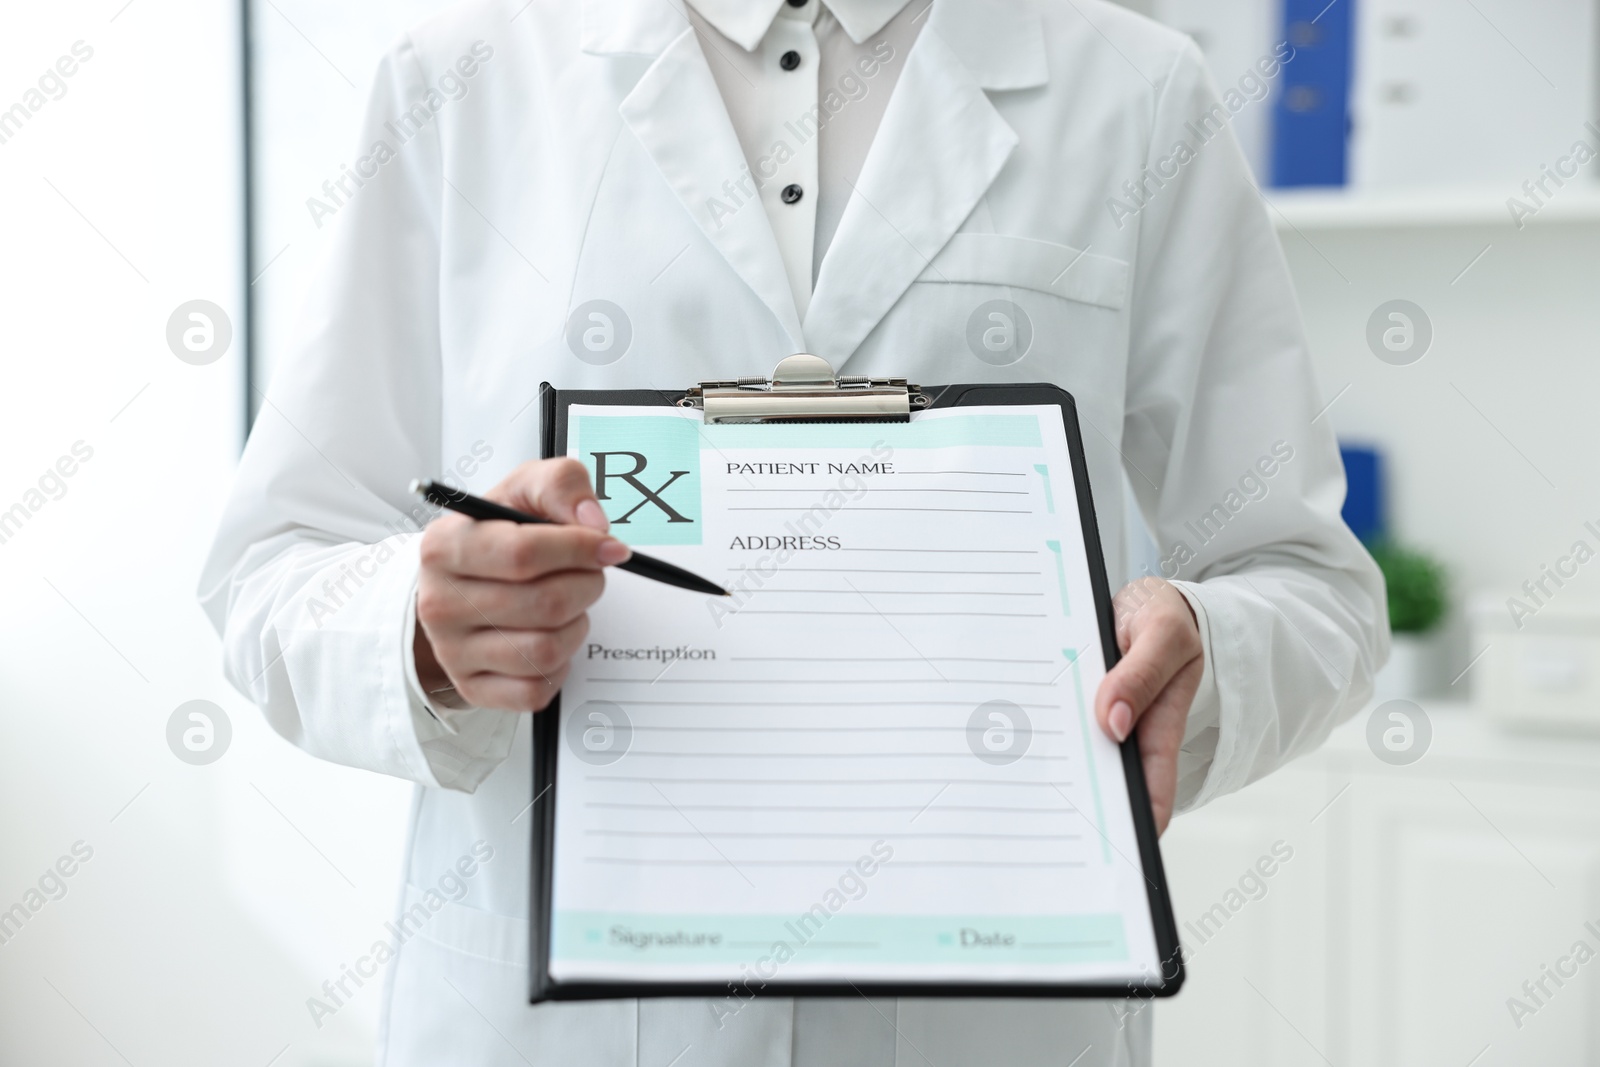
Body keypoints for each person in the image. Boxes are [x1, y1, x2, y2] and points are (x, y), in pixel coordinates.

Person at [200, 0, 1387, 1063]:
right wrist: (421, 627)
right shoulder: (459, 77)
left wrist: (1203, 647)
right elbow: (272, 567)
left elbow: (1307, 579)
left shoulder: (1136, 91)